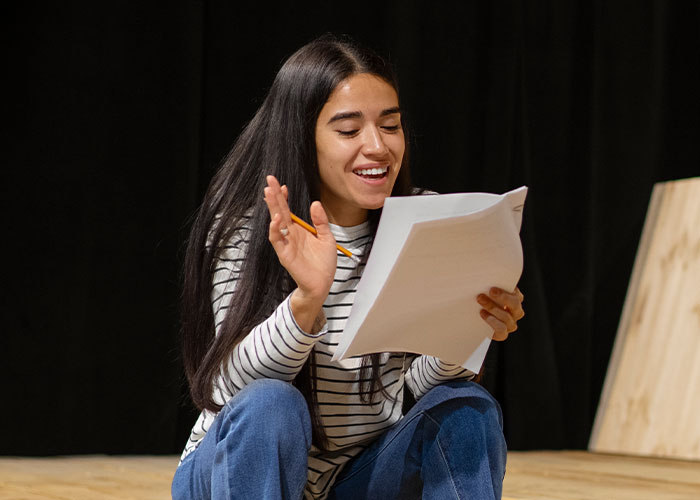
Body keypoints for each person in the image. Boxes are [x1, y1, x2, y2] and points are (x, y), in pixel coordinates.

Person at [172, 34, 525, 500]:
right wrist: (305, 302)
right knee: (271, 405)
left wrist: (466, 331)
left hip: (358, 475)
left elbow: (406, 394)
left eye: (391, 125)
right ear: (304, 136)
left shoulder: (426, 220)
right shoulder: (248, 231)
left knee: (466, 408)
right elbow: (230, 391)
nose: (377, 146)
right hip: (232, 471)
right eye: (348, 130)